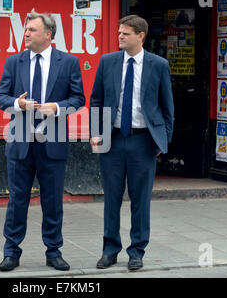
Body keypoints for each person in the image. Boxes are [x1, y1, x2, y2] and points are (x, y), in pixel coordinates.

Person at [0, 10, 85, 272]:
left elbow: (78, 98)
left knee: (53, 200)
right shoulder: (14, 62)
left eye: (31, 29)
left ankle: (53, 251)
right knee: (17, 200)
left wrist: (56, 108)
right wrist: (17, 103)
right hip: (20, 142)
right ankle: (11, 252)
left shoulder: (67, 62)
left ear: (48, 35)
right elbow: (0, 97)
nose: (26, 33)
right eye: (25, 29)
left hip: (53, 141)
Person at [89, 15, 174, 271]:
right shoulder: (108, 62)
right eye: (119, 33)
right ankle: (110, 250)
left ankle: (137, 251)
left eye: (125, 33)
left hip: (143, 141)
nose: (120, 37)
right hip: (112, 140)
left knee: (140, 200)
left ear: (140, 36)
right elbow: (96, 100)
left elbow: (167, 106)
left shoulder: (158, 65)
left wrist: (163, 139)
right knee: (111, 198)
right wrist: (96, 130)